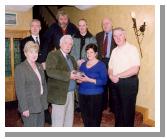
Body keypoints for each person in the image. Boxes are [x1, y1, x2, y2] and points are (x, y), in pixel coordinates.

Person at [108, 27, 140, 127]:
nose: (118, 38)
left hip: (128, 83)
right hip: (114, 82)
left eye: (120, 35)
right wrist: (110, 75)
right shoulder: (114, 51)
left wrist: (117, 76)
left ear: (125, 35)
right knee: (117, 110)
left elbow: (135, 69)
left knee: (127, 112)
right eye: (115, 36)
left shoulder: (132, 49)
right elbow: (110, 67)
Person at [46, 35, 78, 127]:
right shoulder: (53, 55)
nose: (68, 46)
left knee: (69, 121)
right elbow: (50, 71)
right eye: (66, 43)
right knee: (58, 123)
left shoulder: (71, 58)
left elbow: (74, 72)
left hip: (71, 93)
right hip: (58, 95)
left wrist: (78, 77)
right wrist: (69, 75)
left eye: (70, 44)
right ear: (60, 44)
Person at [14, 41, 48, 127]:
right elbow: (20, 91)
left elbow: (43, 85)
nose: (34, 54)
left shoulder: (39, 66)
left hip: (40, 104)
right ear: (25, 53)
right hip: (29, 107)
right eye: (31, 52)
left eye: (36, 52)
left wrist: (45, 103)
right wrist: (24, 108)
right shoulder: (20, 68)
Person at [77, 43, 107, 127]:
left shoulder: (101, 65)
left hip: (96, 95)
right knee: (85, 118)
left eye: (91, 52)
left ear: (96, 53)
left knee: (95, 119)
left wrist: (89, 79)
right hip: (82, 94)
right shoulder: (83, 65)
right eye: (87, 52)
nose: (89, 54)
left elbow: (104, 81)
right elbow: (81, 78)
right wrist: (79, 80)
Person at [96, 17, 116, 111]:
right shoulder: (98, 35)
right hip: (101, 62)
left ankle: (112, 106)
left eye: (107, 23)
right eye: (103, 24)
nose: (105, 25)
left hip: (112, 62)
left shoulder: (116, 34)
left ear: (112, 24)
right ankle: (103, 105)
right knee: (102, 84)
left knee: (112, 85)